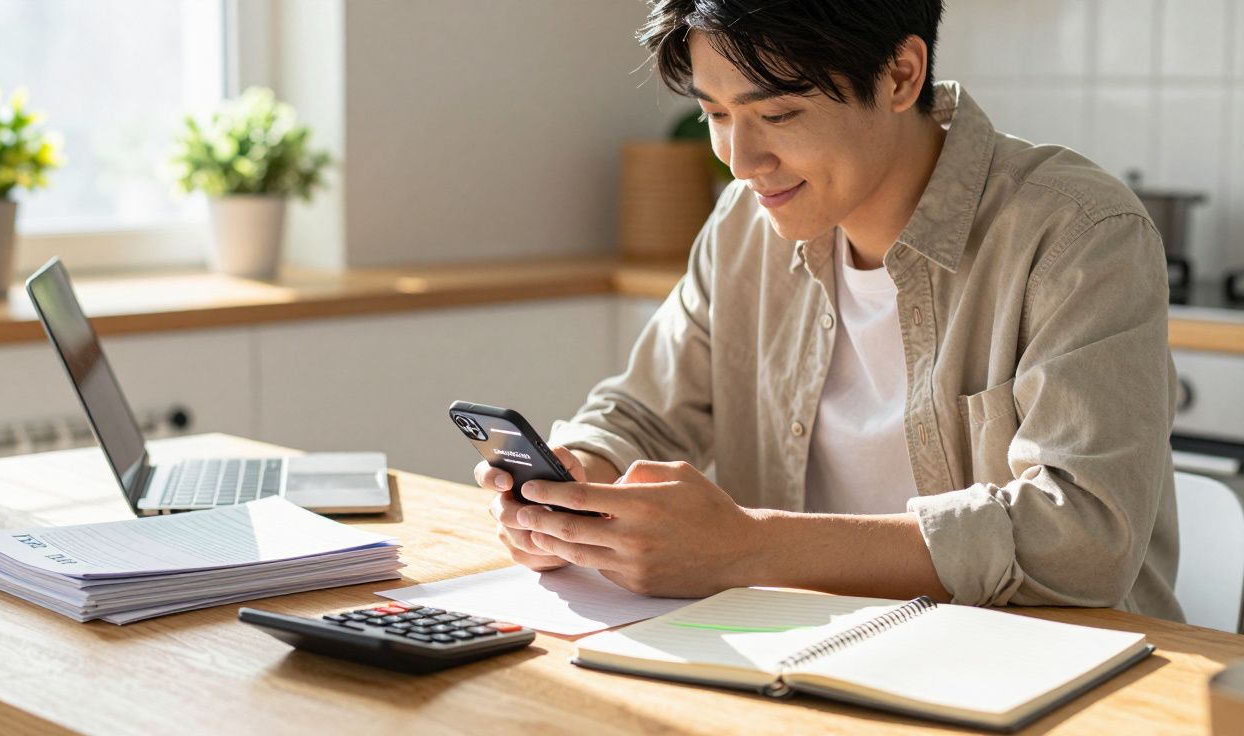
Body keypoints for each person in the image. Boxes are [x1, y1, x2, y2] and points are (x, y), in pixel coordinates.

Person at [475, 0, 1182, 621]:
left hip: (1051, 672)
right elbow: (642, 415)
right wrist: (578, 477)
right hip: (806, 656)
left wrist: (748, 547)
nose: (741, 160)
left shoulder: (1079, 235)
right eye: (716, 115)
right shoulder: (742, 227)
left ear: (902, 75)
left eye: (777, 113)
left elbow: (1084, 533)